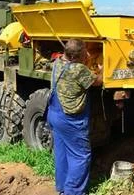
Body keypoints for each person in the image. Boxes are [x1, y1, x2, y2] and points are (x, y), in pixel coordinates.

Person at [47, 39, 103, 195]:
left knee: (62, 153)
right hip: (70, 119)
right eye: (85, 52)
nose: (87, 54)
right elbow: (98, 82)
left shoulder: (57, 62)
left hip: (54, 114)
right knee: (81, 156)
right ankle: (73, 192)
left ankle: (62, 188)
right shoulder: (78, 70)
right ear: (76, 56)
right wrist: (102, 69)